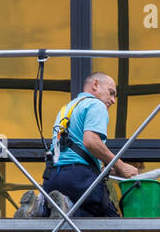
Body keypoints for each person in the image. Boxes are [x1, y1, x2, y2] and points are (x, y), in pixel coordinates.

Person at [17, 72, 139, 218]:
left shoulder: (67, 109)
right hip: (78, 177)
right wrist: (121, 165)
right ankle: (66, 206)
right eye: (111, 93)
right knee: (111, 222)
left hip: (51, 178)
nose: (113, 100)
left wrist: (106, 168)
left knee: (61, 222)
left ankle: (39, 208)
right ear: (95, 85)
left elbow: (71, 147)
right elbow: (91, 141)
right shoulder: (96, 105)